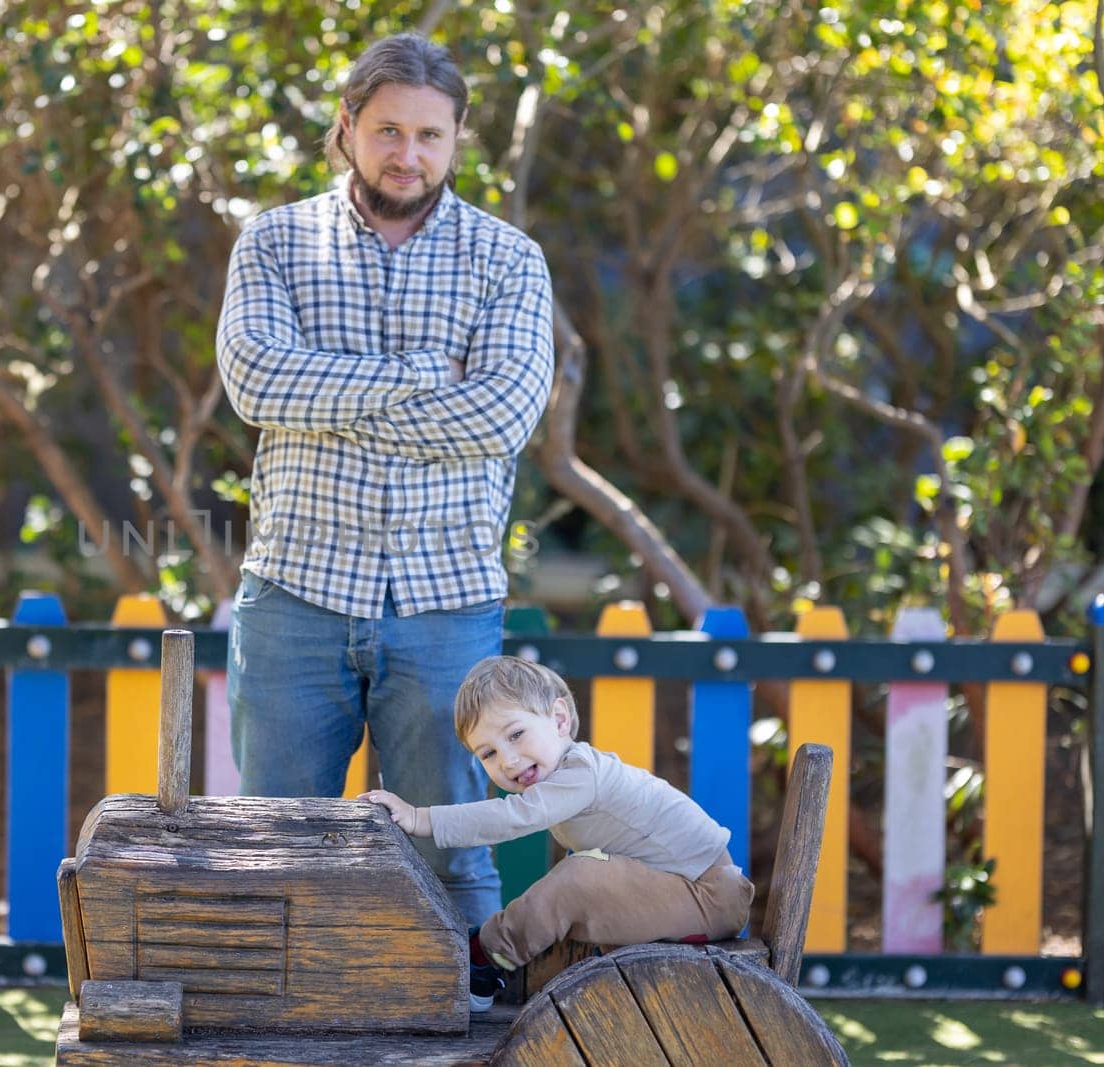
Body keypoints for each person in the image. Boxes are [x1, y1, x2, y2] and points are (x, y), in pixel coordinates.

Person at [214, 31, 555, 928]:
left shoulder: (508, 259)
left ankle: (460, 1040)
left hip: (446, 605)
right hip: (296, 596)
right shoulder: (275, 244)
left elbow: (502, 417)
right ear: (349, 127)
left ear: (455, 140)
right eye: (389, 130)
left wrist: (326, 391)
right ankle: (273, 1042)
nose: (408, 153)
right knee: (278, 848)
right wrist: (419, 374)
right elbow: (256, 382)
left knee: (449, 853)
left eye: (430, 135)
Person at [361, 655, 754, 1010]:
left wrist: (420, 818)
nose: (509, 760)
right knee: (580, 873)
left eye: (515, 735)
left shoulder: (580, 774)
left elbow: (511, 818)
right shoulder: (565, 776)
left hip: (707, 896)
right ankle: (505, 954)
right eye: (488, 754)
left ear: (560, 720)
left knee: (579, 877)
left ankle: (486, 957)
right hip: (686, 888)